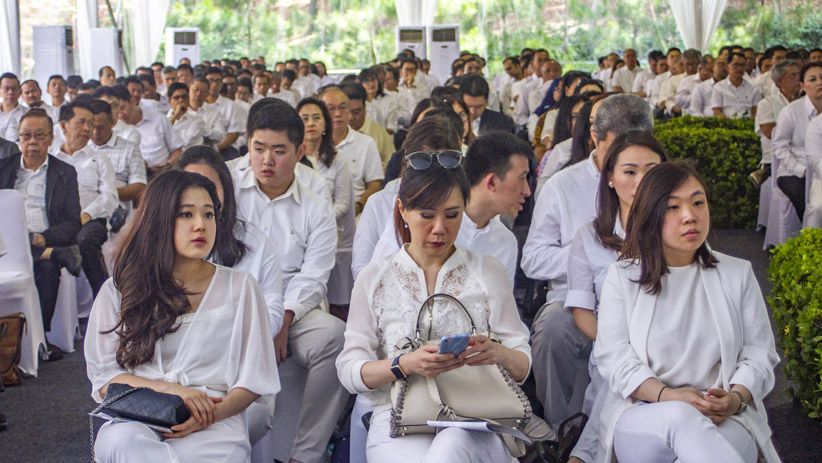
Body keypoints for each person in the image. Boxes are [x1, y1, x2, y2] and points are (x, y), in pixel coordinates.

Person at [335, 145, 531, 463]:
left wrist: (495, 352)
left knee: (451, 447)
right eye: (427, 215)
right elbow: (350, 370)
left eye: (452, 215)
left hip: (477, 415)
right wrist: (404, 364)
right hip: (400, 418)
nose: (440, 228)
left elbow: (522, 365)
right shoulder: (376, 277)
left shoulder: (487, 270)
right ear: (402, 210)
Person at [85, 170, 279, 462]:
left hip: (213, 421)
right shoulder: (120, 289)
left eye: (209, 215)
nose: (200, 225)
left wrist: (207, 415)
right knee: (122, 441)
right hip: (139, 415)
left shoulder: (241, 287)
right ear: (159, 220)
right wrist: (172, 391)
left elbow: (254, 380)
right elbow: (105, 377)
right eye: (186, 215)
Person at [593, 161, 780, 463]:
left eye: (698, 203)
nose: (689, 216)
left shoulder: (737, 273)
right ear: (650, 214)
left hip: (724, 417)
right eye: (672, 207)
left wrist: (736, 398)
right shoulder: (622, 277)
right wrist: (668, 396)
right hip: (644, 414)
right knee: (680, 417)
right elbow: (613, 358)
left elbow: (759, 353)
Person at [522, 94, 653, 431]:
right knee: (553, 330)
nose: (630, 168)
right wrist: (590, 258)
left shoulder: (663, 185)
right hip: (574, 298)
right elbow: (533, 259)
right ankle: (561, 429)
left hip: (649, 294)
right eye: (619, 153)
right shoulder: (563, 186)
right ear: (596, 137)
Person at [234, 98, 349, 463]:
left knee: (335, 338)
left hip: (291, 311)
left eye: (279, 151)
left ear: (299, 152)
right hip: (234, 306)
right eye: (259, 148)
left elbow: (314, 275)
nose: (267, 160)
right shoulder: (225, 189)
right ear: (248, 145)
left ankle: (305, 453)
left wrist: (282, 318)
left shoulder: (316, 204)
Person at [563, 132, 667, 463]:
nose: (640, 182)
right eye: (629, 171)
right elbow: (581, 311)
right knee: (620, 374)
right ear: (610, 178)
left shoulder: (682, 229)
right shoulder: (589, 238)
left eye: (651, 171)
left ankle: (586, 454)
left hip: (672, 348)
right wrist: (622, 345)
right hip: (611, 347)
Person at [179, 146, 285, 443]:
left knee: (252, 416)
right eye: (190, 187)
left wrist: (235, 338)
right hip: (176, 373)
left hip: (237, 363)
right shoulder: (160, 248)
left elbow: (273, 306)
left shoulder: (253, 241)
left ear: (225, 190)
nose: (201, 196)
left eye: (210, 188)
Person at [0, 109, 82, 361]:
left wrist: (45, 239)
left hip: (43, 239)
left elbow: (72, 223)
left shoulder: (64, 173)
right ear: (18, 139)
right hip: (6, 244)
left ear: (50, 139)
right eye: (25, 136)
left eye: (38, 136)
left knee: (47, 272)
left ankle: (39, 339)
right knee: (47, 258)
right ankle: (51, 254)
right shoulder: (3, 169)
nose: (32, 142)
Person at [296, 97, 356, 317]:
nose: (310, 123)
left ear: (324, 125)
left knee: (338, 305)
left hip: (334, 237)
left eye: (316, 118)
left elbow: (343, 203)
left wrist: (317, 219)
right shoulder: (291, 159)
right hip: (299, 237)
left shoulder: (338, 159)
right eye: (304, 118)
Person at [54, 101, 118, 296]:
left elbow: (110, 196)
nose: (87, 129)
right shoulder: (52, 158)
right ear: (64, 125)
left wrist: (88, 213)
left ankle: (104, 298)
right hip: (60, 222)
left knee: (86, 240)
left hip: (90, 220)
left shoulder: (99, 159)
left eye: (90, 124)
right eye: (81, 122)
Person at [319, 86, 384, 213]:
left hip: (356, 211)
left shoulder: (366, 143)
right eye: (331, 109)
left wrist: (358, 205)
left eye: (343, 107)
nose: (338, 114)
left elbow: (375, 183)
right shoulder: (313, 144)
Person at [771, 62, 822, 220]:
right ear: (803, 85)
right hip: (794, 172)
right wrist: (801, 170)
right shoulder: (791, 112)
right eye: (812, 79)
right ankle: (809, 240)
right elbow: (780, 148)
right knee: (809, 203)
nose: (819, 82)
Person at [87, 100, 146, 217]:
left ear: (113, 122)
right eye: (91, 126)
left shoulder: (129, 148)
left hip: (117, 216)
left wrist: (106, 193)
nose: (95, 132)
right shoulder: (83, 149)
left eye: (101, 127)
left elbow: (139, 186)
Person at [341, 82, 396, 166]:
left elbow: (393, 165)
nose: (351, 117)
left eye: (356, 112)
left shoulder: (379, 134)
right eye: (347, 111)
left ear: (365, 108)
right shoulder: (335, 132)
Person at [712, 53, 763, 118]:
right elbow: (717, 111)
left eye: (743, 65)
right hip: (726, 125)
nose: (739, 68)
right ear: (728, 67)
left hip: (748, 125)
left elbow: (755, 111)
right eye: (736, 65)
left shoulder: (753, 88)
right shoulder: (719, 87)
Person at [167, 82, 208, 149]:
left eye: (184, 97)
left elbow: (184, 143)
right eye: (176, 97)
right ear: (169, 100)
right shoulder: (163, 120)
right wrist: (175, 116)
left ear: (188, 98)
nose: (181, 100)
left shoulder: (197, 120)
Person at [0, 73, 24, 141]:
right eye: (6, 88)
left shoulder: (28, 114)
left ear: (20, 92)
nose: (10, 92)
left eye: (14, 88)